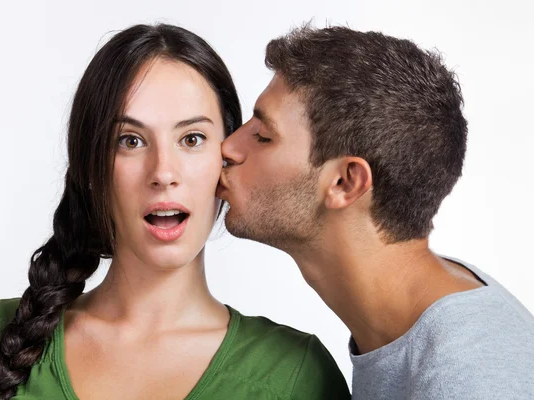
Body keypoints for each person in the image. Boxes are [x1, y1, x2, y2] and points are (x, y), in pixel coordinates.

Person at [0, 24, 350, 400]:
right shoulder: (4, 336)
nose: (163, 173)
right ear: (91, 165)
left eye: (191, 138)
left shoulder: (296, 374)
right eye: (130, 141)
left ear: (227, 158)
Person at [218, 25, 534, 399]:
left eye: (263, 136)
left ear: (345, 182)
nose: (228, 146)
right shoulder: (432, 314)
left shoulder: (467, 376)